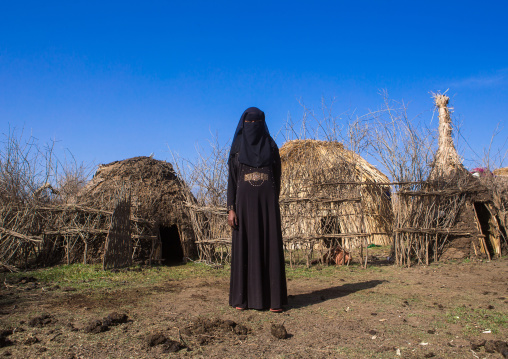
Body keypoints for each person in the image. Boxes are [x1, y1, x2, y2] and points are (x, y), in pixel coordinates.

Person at [227, 107, 288, 312]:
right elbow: (232, 182)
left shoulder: (271, 147)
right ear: (243, 124)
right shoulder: (236, 149)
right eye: (249, 123)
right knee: (244, 247)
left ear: (263, 124)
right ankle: (242, 299)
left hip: (267, 207)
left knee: (268, 247)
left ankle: (273, 301)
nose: (253, 126)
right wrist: (231, 209)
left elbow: (277, 177)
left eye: (257, 123)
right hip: (243, 209)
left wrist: (272, 201)